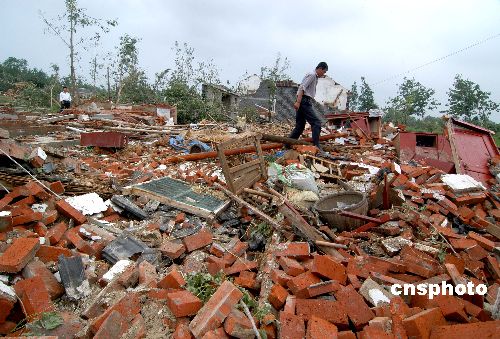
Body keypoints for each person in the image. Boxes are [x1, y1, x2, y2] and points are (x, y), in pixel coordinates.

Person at [289, 62, 328, 150]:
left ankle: (288, 144)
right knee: (316, 123)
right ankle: (316, 146)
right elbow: (302, 87)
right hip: (304, 101)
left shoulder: (313, 75)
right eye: (324, 71)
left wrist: (298, 101)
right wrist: (298, 102)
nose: (324, 74)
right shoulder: (312, 75)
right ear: (320, 68)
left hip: (303, 100)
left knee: (300, 126)